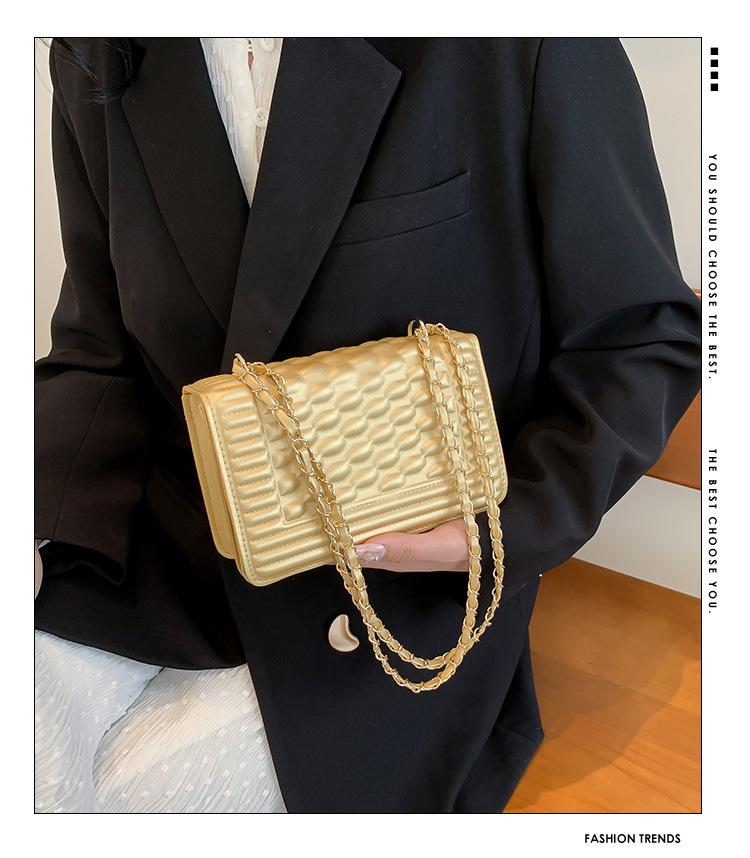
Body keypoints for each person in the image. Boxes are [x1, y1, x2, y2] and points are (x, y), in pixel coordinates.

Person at [35, 37, 702, 813]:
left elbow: (639, 340)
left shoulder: (518, 40)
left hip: (400, 596)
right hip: (163, 554)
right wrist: (39, 523)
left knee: (127, 800)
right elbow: (97, 346)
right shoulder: (101, 44)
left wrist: (504, 526)